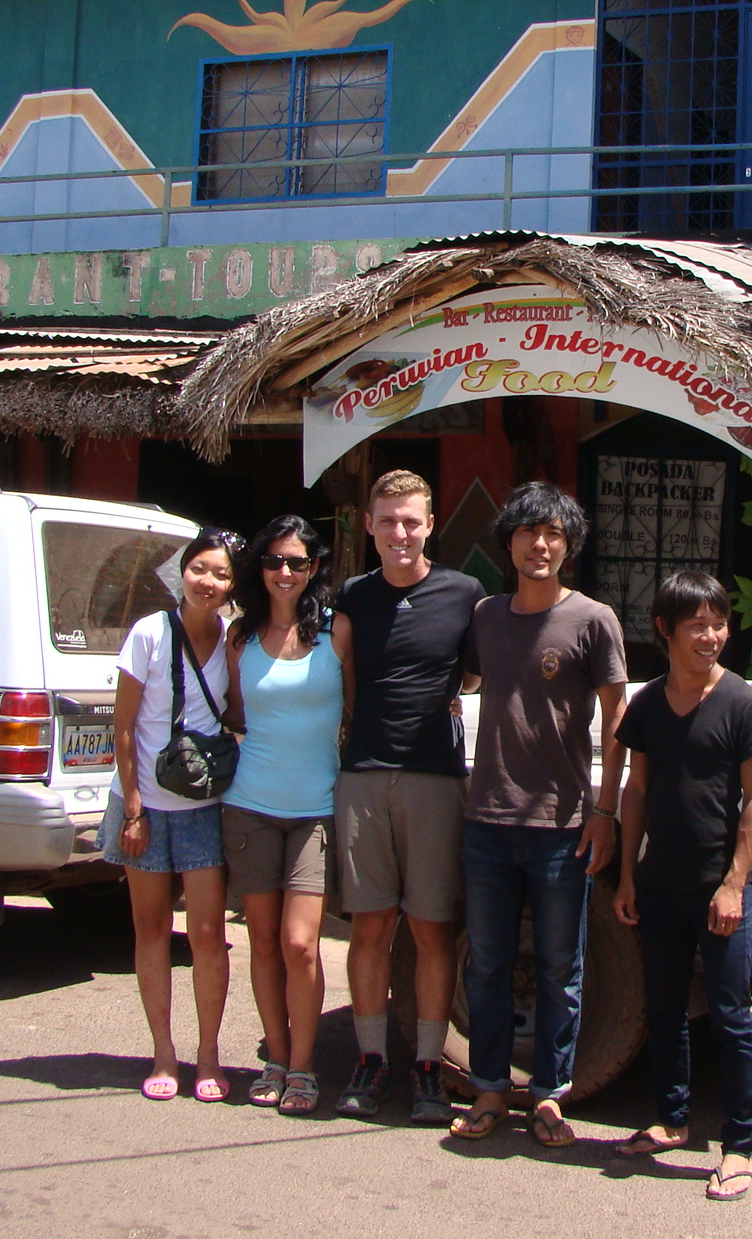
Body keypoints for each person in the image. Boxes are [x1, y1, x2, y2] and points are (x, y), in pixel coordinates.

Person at [449, 483, 627, 1148]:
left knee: (560, 968)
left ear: (568, 544)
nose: (540, 544)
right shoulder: (486, 617)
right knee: (488, 965)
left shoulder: (593, 620)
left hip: (563, 827)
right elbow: (464, 683)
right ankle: (490, 1088)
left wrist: (605, 809)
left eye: (553, 533)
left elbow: (617, 718)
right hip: (487, 822)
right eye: (528, 532)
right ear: (510, 543)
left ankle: (551, 1096)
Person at [613, 570, 752, 1200]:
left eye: (718, 624)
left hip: (720, 888)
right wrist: (627, 875)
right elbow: (636, 790)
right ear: (665, 630)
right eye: (697, 626)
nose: (711, 636)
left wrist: (734, 884)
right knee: (664, 1009)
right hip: (660, 884)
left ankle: (740, 1146)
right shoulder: (648, 705)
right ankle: (671, 1119)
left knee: (732, 1016)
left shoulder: (743, 703)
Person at [331, 470, 484, 1123]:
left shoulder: (464, 594)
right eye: (388, 521)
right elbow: (342, 678)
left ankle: (427, 1066)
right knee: (369, 925)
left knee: (431, 928)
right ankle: (370, 1061)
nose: (400, 532)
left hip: (434, 778)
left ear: (430, 525)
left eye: (411, 521)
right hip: (363, 775)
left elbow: (471, 677)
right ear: (369, 525)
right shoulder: (352, 597)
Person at [99, 528, 240, 1102]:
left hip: (204, 807)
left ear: (233, 586)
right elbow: (123, 726)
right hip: (147, 808)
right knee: (152, 929)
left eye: (222, 574)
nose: (208, 582)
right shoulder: (149, 634)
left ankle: (208, 1055)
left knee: (207, 936)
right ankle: (162, 1053)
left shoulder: (232, 639)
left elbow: (239, 713)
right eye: (199, 569)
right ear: (182, 572)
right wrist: (133, 809)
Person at [222, 514, 347, 1117]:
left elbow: (361, 705)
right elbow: (234, 715)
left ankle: (303, 1065)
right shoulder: (240, 638)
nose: (285, 572)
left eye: (297, 562)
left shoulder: (337, 632)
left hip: (315, 810)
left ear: (314, 567)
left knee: (301, 944)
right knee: (264, 942)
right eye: (274, 561)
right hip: (250, 805)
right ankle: (275, 1059)